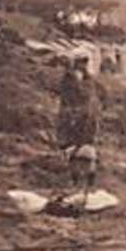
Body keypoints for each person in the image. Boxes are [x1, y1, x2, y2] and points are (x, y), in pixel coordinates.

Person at [54, 55, 102, 205]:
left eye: (85, 62)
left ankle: (88, 182)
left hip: (87, 118)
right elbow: (69, 98)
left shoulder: (88, 80)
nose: (83, 65)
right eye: (81, 62)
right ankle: (75, 180)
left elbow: (91, 97)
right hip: (72, 118)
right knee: (71, 149)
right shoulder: (69, 80)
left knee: (87, 148)